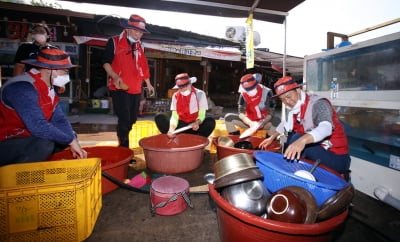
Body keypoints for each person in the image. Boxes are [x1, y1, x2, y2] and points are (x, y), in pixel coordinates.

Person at [0, 48, 87, 166]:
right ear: (49, 70)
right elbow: (38, 126)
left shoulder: (49, 87)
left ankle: (40, 166)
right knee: (44, 144)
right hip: (5, 140)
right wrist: (71, 141)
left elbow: (59, 119)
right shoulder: (22, 87)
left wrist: (73, 140)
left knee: (69, 135)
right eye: (65, 71)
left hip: (23, 137)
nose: (67, 76)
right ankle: (16, 178)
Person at [259, 76, 351, 176]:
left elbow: (326, 127)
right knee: (290, 137)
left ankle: (289, 173)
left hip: (337, 158)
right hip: (319, 153)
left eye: (289, 96)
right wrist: (271, 138)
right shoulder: (295, 110)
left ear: (298, 90)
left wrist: (302, 141)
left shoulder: (318, 103)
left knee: (297, 138)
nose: (287, 102)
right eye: (283, 99)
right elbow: (285, 125)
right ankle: (291, 171)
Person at [102, 14, 155, 148]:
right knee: (124, 118)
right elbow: (106, 63)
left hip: (136, 87)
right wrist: (114, 76)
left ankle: (122, 136)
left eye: (141, 32)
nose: (139, 34)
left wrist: (148, 83)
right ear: (128, 29)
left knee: (132, 119)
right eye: (136, 30)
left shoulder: (140, 46)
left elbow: (143, 66)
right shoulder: (114, 42)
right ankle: (124, 147)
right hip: (119, 87)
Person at [154, 73, 216, 138]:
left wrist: (197, 123)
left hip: (195, 126)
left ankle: (198, 139)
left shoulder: (200, 94)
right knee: (159, 117)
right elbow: (175, 116)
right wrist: (171, 129)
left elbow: (202, 115)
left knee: (210, 122)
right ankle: (173, 136)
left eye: (185, 87)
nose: (183, 90)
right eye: (180, 88)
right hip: (181, 126)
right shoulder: (175, 95)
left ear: (190, 84)